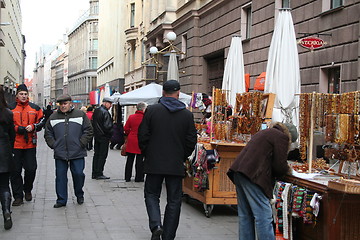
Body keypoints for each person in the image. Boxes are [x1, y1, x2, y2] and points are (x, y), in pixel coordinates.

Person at [138, 80, 197, 240]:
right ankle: (169, 235)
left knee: (151, 194)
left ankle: (156, 225)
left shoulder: (151, 111)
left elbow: (142, 135)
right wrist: (182, 155)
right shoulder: (186, 114)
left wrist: (148, 153)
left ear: (163, 93)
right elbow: (191, 140)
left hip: (154, 162)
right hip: (175, 163)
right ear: (178, 93)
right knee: (174, 200)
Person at [227, 122, 298, 240]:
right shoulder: (281, 137)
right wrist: (289, 171)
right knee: (264, 215)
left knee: (246, 215)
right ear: (289, 136)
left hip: (240, 172)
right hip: (253, 175)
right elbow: (280, 166)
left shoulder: (266, 132)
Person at [44, 94, 93, 208]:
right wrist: (54, 145)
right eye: (61, 104)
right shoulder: (53, 117)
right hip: (60, 152)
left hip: (77, 151)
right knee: (60, 176)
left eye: (65, 104)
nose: (63, 106)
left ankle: (79, 194)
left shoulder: (80, 115)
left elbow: (88, 130)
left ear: (71, 103)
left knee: (78, 174)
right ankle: (61, 199)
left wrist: (81, 143)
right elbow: (48, 133)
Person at [9, 84, 44, 206]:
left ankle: (27, 189)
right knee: (15, 172)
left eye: (25, 94)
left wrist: (34, 126)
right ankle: (18, 196)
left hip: (30, 145)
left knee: (31, 169)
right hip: (15, 145)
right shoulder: (10, 108)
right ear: (17, 95)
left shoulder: (35, 108)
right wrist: (17, 128)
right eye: (21, 94)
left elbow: (42, 121)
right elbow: (6, 124)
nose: (24, 96)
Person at [0, 86, 15, 230]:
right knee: (4, 185)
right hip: (3, 153)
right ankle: (6, 211)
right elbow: (12, 136)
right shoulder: (7, 113)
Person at [123, 102, 147, 182]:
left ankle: (127, 177)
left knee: (129, 160)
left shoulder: (131, 117)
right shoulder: (145, 118)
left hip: (131, 140)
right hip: (141, 141)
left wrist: (129, 133)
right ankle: (139, 177)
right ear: (143, 109)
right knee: (139, 161)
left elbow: (126, 128)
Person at [92, 97, 114, 180]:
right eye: (110, 104)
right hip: (104, 136)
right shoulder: (105, 112)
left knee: (96, 155)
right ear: (105, 103)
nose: (111, 106)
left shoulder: (97, 110)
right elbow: (108, 126)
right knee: (102, 155)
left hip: (97, 136)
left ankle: (94, 172)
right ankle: (99, 173)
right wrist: (111, 133)